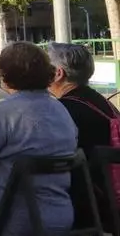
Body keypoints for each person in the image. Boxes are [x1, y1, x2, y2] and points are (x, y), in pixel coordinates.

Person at [0, 42, 75, 234]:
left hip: (4, 217)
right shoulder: (63, 112)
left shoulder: (2, 113)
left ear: (5, 77)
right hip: (58, 216)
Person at [47, 42, 117, 232]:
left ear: (58, 73)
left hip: (89, 209)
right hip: (110, 198)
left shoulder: (62, 111)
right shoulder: (101, 102)